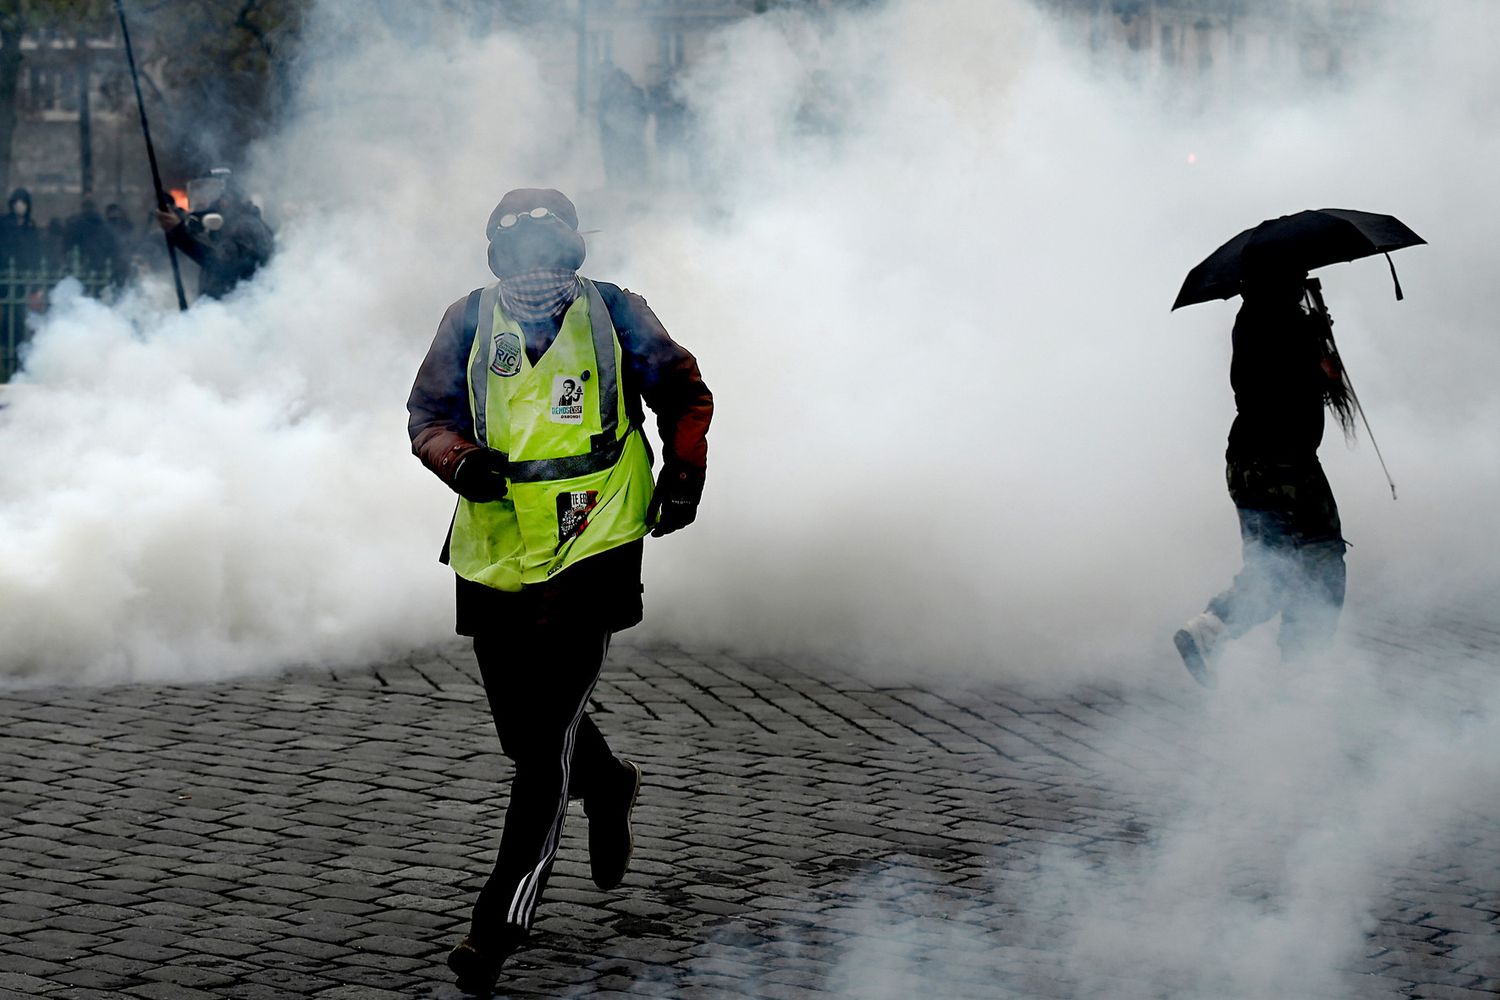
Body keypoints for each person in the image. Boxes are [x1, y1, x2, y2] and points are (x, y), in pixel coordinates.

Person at [406, 187, 712, 994]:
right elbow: (426, 416)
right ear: (498, 260)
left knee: (542, 749)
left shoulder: (616, 313)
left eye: (549, 252)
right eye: (519, 255)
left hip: (597, 536)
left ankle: (496, 927)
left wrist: (683, 475)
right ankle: (609, 786)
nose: (534, 270)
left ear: (572, 255)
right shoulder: (468, 320)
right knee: (524, 729)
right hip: (497, 549)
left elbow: (683, 392)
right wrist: (457, 460)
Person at [1174, 255, 1351, 685]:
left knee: (1275, 566)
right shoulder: (1285, 323)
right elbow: (1315, 382)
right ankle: (1297, 669)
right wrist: (1319, 343)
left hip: (1251, 461)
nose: (1302, 279)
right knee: (1317, 563)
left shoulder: (1254, 318)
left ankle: (1212, 631)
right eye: (1294, 274)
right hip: (1285, 465)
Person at [154, 169, 274, 299]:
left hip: (243, 312)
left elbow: (219, 262)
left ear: (227, 198)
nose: (201, 202)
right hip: (224, 313)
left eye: (208, 193)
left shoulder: (246, 226)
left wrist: (179, 230)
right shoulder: (223, 228)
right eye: (197, 193)